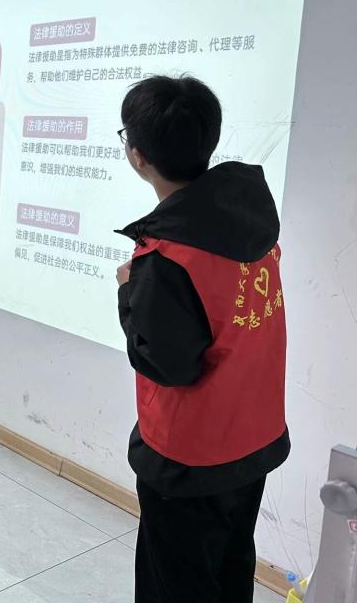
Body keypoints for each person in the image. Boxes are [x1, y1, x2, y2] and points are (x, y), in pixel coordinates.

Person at [114, 75, 289, 603]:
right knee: (231, 568)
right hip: (251, 437)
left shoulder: (166, 258)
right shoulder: (248, 222)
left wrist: (128, 292)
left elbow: (168, 365)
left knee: (176, 586)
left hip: (191, 456)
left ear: (138, 157)